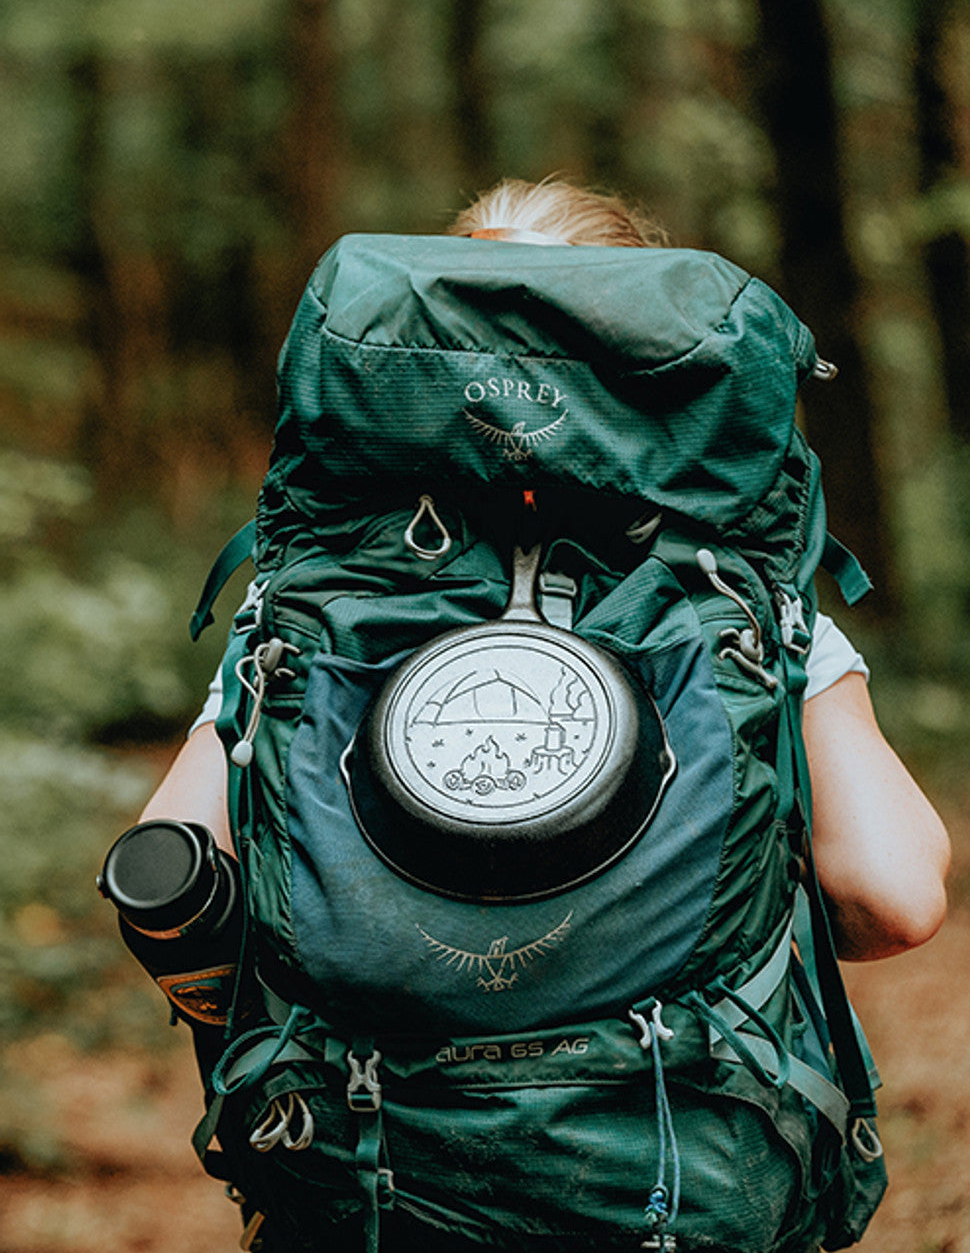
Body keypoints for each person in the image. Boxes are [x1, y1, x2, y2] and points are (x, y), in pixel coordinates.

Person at [141, 177, 949, 972]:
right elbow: (893, 898)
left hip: (370, 1095)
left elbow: (168, 868)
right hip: (666, 1088)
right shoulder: (727, 586)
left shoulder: (324, 587)